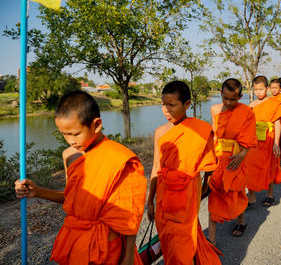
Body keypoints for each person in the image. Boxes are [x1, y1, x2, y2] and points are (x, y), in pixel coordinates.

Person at [15, 90, 147, 265]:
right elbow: (73, 199)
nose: (70, 140)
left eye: (75, 134)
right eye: (64, 134)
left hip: (107, 247)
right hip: (74, 240)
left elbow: (130, 215)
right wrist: (37, 192)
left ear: (96, 124)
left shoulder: (121, 159)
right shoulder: (69, 156)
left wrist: (128, 256)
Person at [146, 81, 222, 265]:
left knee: (182, 239)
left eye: (171, 105)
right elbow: (156, 166)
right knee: (167, 237)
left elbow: (210, 166)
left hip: (187, 192)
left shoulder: (200, 130)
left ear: (187, 104)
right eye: (163, 104)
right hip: (164, 193)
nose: (165, 110)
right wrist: (150, 200)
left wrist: (203, 189)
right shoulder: (160, 132)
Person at [208, 78, 257, 242]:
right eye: (225, 98)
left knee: (237, 190)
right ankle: (212, 238)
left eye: (233, 99)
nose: (228, 102)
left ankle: (241, 221)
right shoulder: (214, 109)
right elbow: (214, 134)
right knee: (215, 193)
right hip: (219, 156)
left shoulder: (247, 112)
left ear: (240, 96)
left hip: (237, 156)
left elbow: (249, 136)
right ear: (220, 93)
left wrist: (242, 156)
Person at [246, 77, 281, 208]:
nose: (258, 92)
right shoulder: (251, 105)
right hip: (254, 140)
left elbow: (278, 123)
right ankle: (251, 196)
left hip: (269, 139)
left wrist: (276, 143)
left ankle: (270, 194)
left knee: (269, 167)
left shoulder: (274, 103)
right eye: (256, 89)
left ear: (267, 89)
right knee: (250, 167)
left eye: (261, 89)